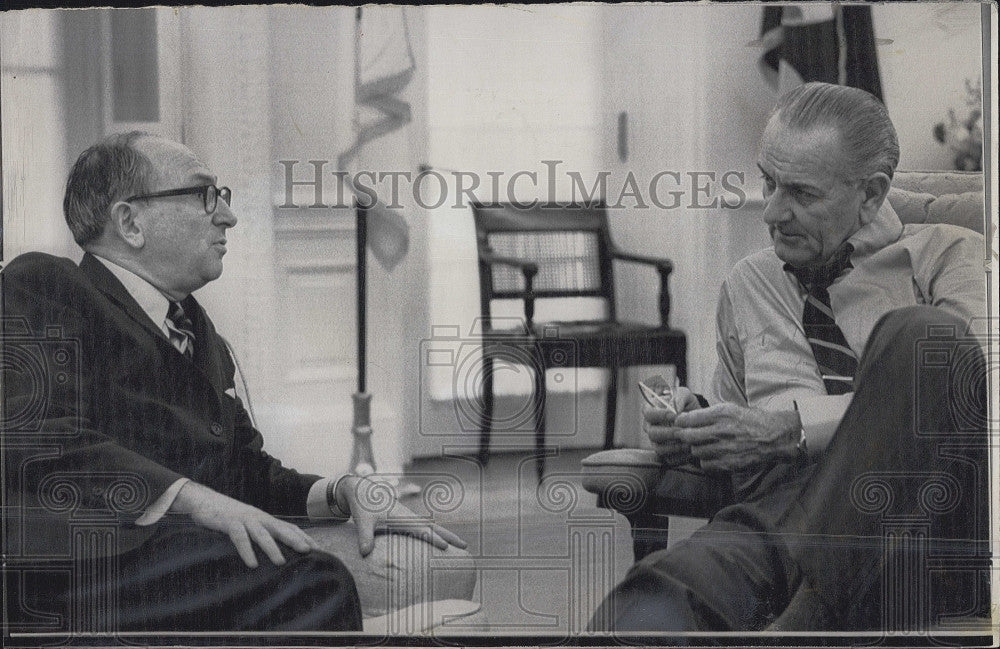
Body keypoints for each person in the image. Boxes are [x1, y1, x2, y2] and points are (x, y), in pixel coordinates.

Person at [1, 131, 474, 633]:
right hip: (90, 568)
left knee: (444, 562)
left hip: (188, 558)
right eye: (205, 195)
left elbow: (244, 470)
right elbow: (36, 437)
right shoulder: (46, 286)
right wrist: (193, 498)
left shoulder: (196, 328)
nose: (227, 216)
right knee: (313, 579)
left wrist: (340, 490)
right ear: (130, 222)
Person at [589, 82, 989, 632]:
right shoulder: (749, 283)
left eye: (801, 193)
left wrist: (792, 430)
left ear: (871, 195)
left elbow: (978, 396)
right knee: (644, 607)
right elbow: (743, 444)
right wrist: (695, 422)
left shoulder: (948, 251)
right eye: (768, 182)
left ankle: (809, 622)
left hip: (919, 531)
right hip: (780, 524)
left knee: (925, 338)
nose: (773, 212)